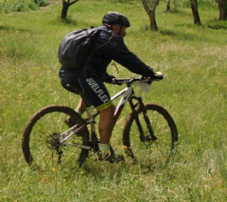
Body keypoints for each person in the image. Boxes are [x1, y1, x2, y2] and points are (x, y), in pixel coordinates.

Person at [59, 11, 162, 162]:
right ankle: (105, 151)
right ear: (116, 27)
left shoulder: (96, 35)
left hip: (66, 75)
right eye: (124, 29)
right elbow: (128, 59)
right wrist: (150, 73)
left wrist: (108, 78)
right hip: (85, 77)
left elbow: (93, 61)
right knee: (108, 109)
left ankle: (74, 118)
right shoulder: (110, 38)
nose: (124, 33)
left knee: (89, 95)